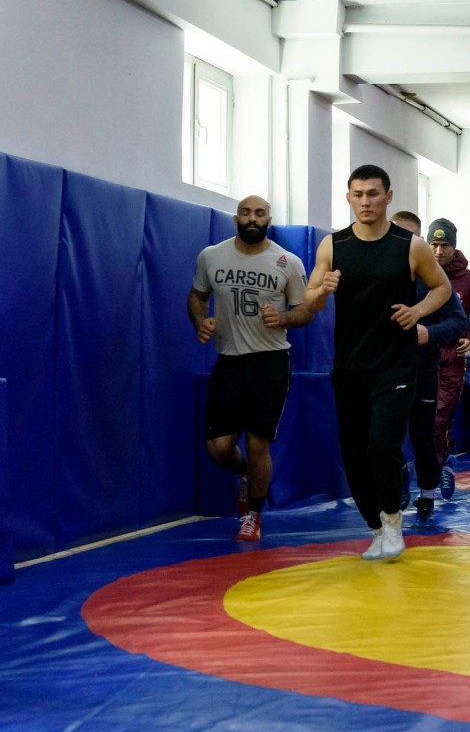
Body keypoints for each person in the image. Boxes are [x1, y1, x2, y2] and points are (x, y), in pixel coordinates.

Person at [294, 166, 451, 560]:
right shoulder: (333, 245)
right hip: (350, 365)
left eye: (373, 193)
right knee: (354, 453)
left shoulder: (411, 245)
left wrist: (417, 311)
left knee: (383, 444)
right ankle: (377, 527)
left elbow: (442, 287)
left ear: (388, 197)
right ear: (349, 198)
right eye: (358, 194)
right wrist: (322, 290)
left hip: (396, 364)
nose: (365, 201)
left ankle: (394, 518)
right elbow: (309, 300)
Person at [189, 194, 311, 542]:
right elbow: (197, 295)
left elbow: (305, 311)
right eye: (246, 213)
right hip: (229, 361)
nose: (252, 218)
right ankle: (243, 472)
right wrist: (200, 321)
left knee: (259, 443)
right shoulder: (211, 256)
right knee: (219, 448)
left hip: (270, 361)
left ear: (268, 220)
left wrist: (283, 317)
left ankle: (253, 516)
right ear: (236, 219)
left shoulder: (287, 262)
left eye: (259, 213)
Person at [392, 212, 468, 522]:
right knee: (384, 433)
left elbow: (460, 322)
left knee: (423, 432)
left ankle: (427, 494)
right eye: (396, 234)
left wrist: (429, 333)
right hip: (382, 367)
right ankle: (397, 480)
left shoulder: (431, 276)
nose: (402, 242)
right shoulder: (371, 271)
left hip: (423, 366)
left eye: (410, 236)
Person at [424, 218, 470, 500]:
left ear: (454, 247)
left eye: (445, 245)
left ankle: (441, 465)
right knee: (413, 417)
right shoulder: (416, 272)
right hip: (419, 355)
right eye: (434, 244)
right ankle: (423, 468)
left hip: (452, 356)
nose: (439, 251)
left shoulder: (469, 280)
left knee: (439, 416)